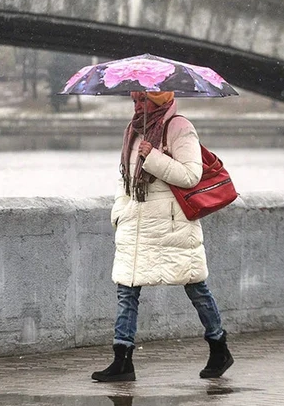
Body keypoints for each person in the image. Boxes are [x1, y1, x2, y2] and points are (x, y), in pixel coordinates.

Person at [91, 90, 234, 382]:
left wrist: (153, 156)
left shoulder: (180, 127)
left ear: (159, 100)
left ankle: (219, 347)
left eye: (143, 100)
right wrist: (119, 211)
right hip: (136, 221)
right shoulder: (133, 130)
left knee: (195, 286)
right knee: (127, 289)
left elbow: (190, 176)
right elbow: (125, 178)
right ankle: (122, 359)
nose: (137, 105)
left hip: (171, 224)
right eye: (134, 100)